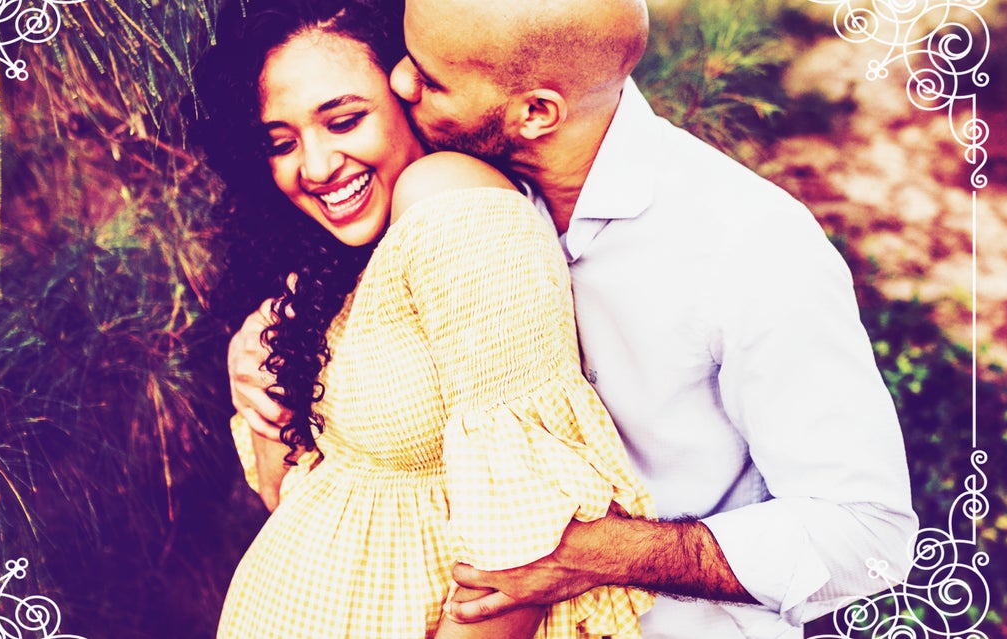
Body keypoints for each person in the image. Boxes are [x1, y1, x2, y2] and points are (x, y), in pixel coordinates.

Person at [228, 0, 920, 637]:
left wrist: (599, 553)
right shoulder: (451, 185)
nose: (401, 82)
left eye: (431, 79)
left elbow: (867, 535)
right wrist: (261, 349)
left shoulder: (747, 243)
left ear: (535, 112)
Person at [194, 0, 655, 637]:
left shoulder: (451, 198)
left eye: (345, 121)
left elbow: (521, 546)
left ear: (409, 91)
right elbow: (291, 495)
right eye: (282, 142)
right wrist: (258, 353)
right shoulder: (344, 258)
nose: (315, 166)